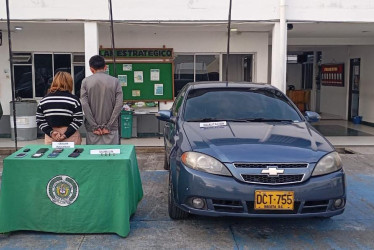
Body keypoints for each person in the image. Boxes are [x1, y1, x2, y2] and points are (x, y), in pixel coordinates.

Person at [80, 55, 123, 145]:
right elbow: (119, 104)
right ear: (105, 67)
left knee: (93, 156)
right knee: (111, 156)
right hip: (111, 129)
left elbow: (84, 105)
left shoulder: (85, 82)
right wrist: (109, 125)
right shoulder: (115, 81)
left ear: (91, 69)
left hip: (92, 130)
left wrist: (94, 126)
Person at [36, 71, 83, 144]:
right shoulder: (74, 99)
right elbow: (78, 119)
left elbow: (40, 120)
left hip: (52, 137)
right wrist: (65, 135)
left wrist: (51, 133)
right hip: (71, 136)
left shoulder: (44, 100)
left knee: (51, 155)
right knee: (72, 155)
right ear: (70, 83)